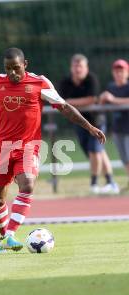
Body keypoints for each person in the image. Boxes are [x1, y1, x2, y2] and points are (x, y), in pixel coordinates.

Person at [0, 47, 105, 253]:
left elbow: (65, 107)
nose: (12, 73)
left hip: (28, 146)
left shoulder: (39, 83)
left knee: (28, 185)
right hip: (3, 148)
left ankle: (10, 234)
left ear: (25, 64)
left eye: (16, 68)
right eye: (8, 69)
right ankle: (3, 237)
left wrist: (90, 127)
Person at [58, 54, 118, 194]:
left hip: (96, 121)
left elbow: (91, 99)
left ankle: (94, 183)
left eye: (81, 66)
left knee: (95, 151)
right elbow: (61, 101)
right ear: (71, 67)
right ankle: (111, 182)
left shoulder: (91, 79)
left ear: (86, 68)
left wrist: (71, 102)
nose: (78, 69)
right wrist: (70, 103)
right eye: (75, 66)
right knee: (96, 153)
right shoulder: (66, 82)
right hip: (79, 123)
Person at [99, 59, 129, 190]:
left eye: (121, 71)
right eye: (116, 71)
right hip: (117, 128)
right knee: (124, 159)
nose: (119, 74)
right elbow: (104, 102)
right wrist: (103, 98)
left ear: (127, 72)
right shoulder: (111, 87)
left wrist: (113, 99)